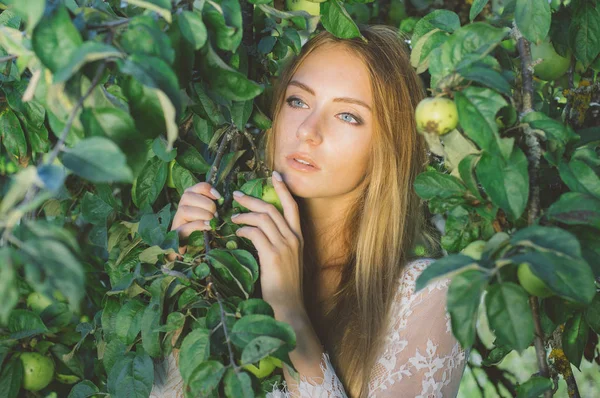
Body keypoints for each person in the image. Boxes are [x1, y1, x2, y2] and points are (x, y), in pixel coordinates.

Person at [152, 24, 467, 398]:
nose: (307, 130)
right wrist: (180, 277)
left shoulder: (429, 293)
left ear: (387, 146)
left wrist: (288, 310)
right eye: (298, 101)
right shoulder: (229, 268)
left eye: (348, 115)